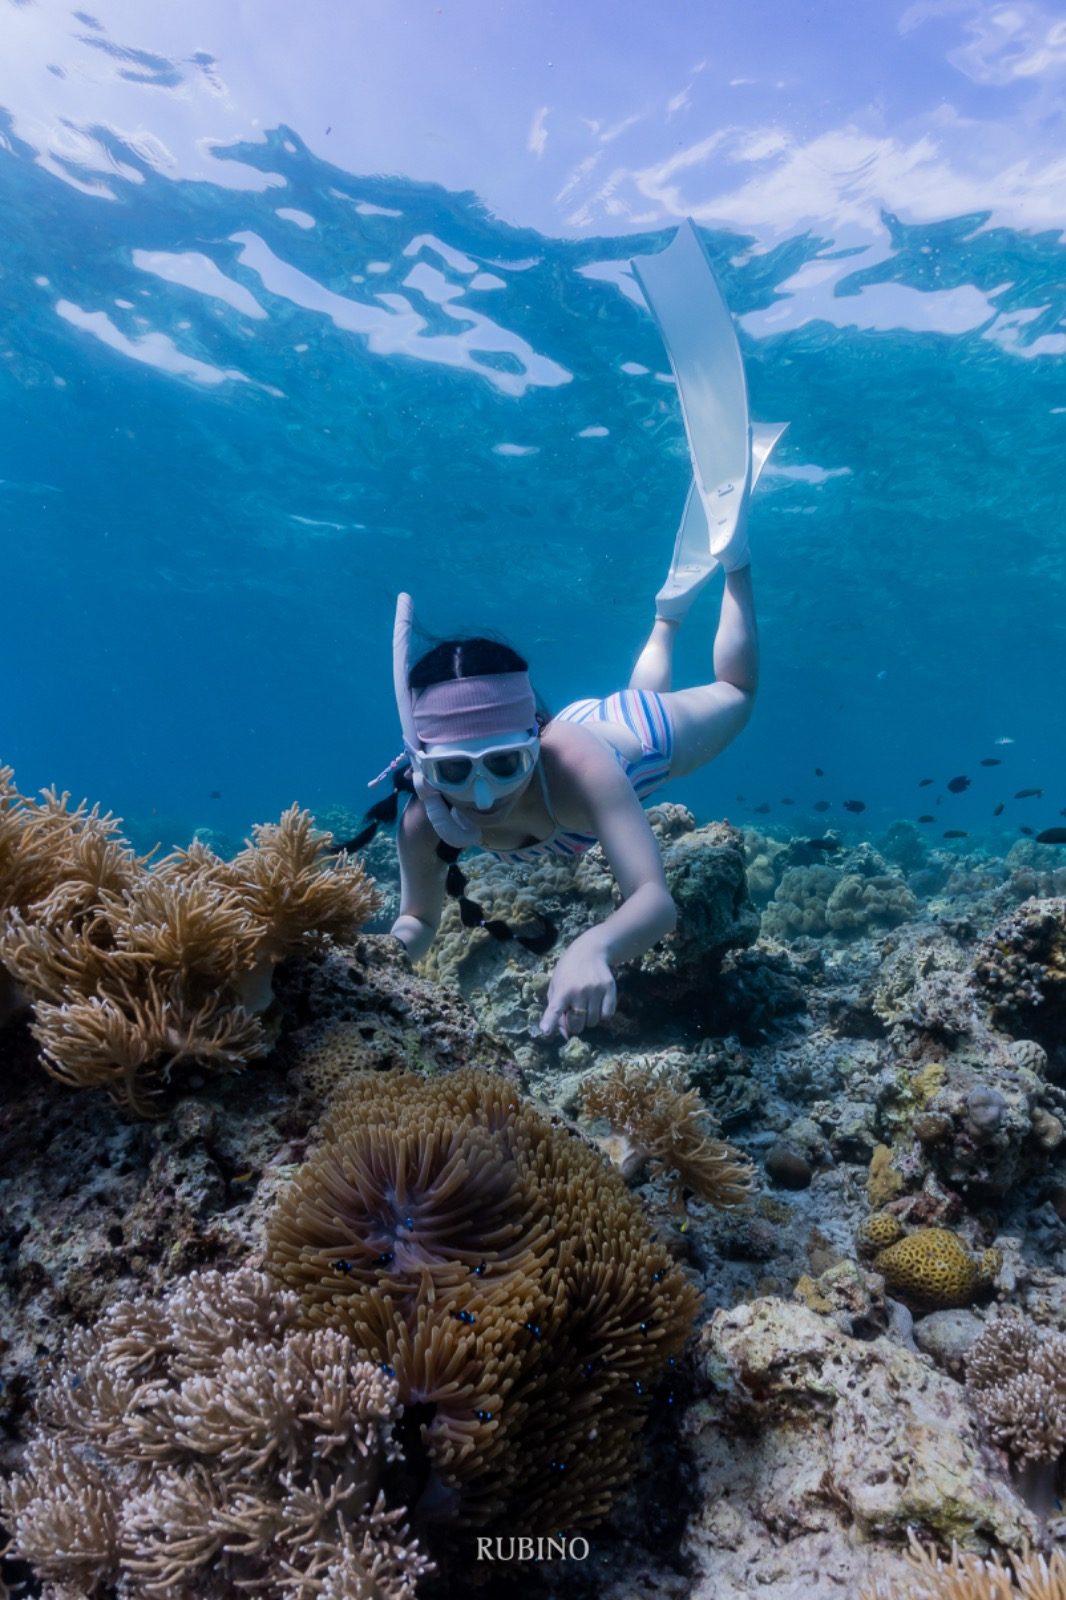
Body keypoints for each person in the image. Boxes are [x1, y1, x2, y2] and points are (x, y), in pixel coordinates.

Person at [381, 221, 788, 1040]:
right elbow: (417, 922)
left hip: (631, 741)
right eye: (458, 770)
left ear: (534, 739)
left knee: (740, 695)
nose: (485, 794)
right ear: (422, 760)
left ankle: (734, 558)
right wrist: (373, 961)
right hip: (592, 727)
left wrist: (594, 944)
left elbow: (654, 899)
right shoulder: (424, 817)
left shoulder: (572, 760)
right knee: (652, 673)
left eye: (504, 763)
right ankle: (667, 611)